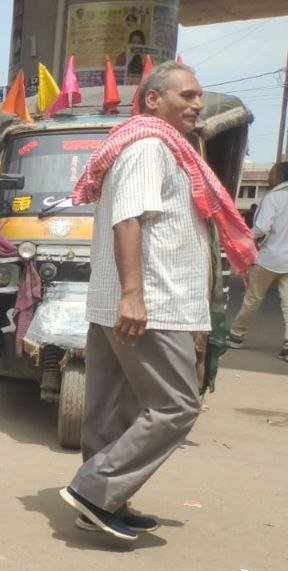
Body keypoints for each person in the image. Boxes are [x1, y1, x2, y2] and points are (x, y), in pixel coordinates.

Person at [61, 61, 256, 540]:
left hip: (124, 300)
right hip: (150, 303)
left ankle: (107, 500)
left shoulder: (155, 146)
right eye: (187, 95)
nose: (197, 104)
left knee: (112, 410)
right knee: (177, 407)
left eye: (199, 96)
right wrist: (134, 295)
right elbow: (129, 219)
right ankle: (95, 489)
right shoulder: (150, 146)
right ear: (152, 100)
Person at [229, 161, 288, 361]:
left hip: (268, 259)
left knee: (252, 300)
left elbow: (262, 228)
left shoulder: (273, 198)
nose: (268, 177)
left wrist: (245, 239)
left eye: (271, 173)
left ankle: (237, 336)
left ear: (280, 176)